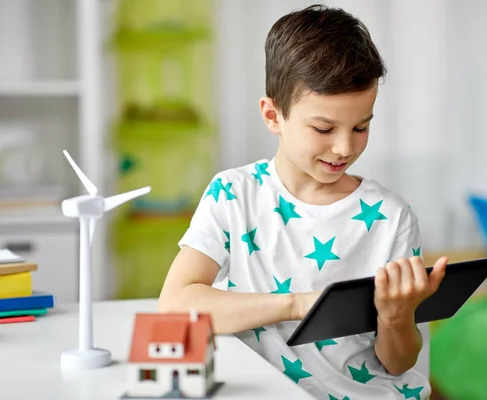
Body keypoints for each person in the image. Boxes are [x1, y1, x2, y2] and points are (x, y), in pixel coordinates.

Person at [158, 4, 448, 399]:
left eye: (361, 127)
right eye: (324, 128)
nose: (345, 146)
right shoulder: (233, 194)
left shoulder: (391, 218)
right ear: (273, 115)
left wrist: (396, 318)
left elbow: (398, 364)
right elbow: (176, 304)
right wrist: (297, 304)